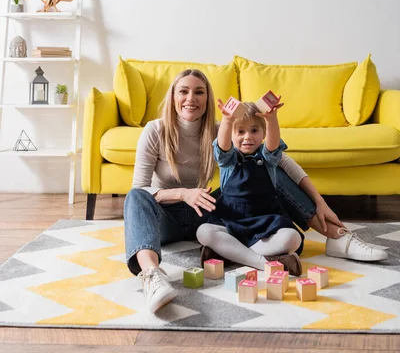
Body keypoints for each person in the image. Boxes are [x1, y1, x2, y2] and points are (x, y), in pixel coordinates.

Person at [124, 70, 387, 314]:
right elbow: (141, 188)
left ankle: (336, 235)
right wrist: (183, 193)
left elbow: (281, 161)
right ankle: (153, 276)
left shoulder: (220, 129)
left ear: (208, 97)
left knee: (268, 169)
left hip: (204, 211)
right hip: (165, 218)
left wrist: (319, 202)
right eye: (183, 91)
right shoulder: (155, 130)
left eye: (199, 92)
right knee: (134, 197)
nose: (191, 98)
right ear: (173, 97)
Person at [197, 100, 304, 275]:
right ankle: (264, 262)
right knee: (203, 232)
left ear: (263, 134)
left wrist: (271, 119)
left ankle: (228, 253)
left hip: (266, 221)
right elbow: (222, 147)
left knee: (293, 238)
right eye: (240, 131)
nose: (248, 136)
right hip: (231, 220)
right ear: (232, 135)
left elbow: (273, 145)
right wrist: (227, 120)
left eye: (254, 131)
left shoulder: (267, 158)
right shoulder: (229, 160)